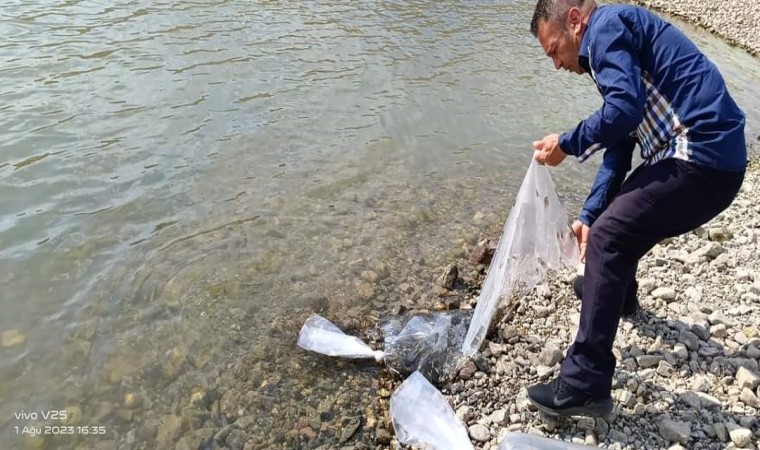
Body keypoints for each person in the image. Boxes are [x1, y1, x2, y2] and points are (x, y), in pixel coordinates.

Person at [527, 0, 747, 417]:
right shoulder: (611, 40)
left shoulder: (606, 28)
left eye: (554, 49)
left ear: (574, 21)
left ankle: (584, 384)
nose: (556, 64)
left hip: (703, 154)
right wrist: (589, 214)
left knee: (611, 238)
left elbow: (622, 111)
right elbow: (621, 140)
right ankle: (616, 296)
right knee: (614, 222)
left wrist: (568, 144)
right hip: (712, 157)